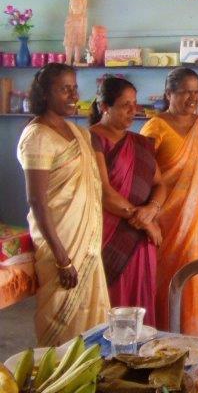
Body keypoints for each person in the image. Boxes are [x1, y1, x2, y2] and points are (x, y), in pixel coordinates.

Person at [16, 63, 110, 345]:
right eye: (64, 89)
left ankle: (90, 369)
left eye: (75, 88)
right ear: (45, 94)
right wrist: (62, 258)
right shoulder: (37, 136)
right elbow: (37, 200)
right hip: (60, 245)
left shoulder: (78, 132)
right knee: (61, 320)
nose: (73, 95)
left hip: (87, 245)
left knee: (93, 320)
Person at [140, 67, 198, 336]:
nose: (192, 98)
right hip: (165, 225)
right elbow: (141, 178)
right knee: (166, 284)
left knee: (196, 282)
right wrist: (148, 219)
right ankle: (163, 341)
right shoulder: (155, 128)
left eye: (196, 92)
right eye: (185, 92)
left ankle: (196, 342)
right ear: (168, 93)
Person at [89, 76, 166, 326]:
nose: (133, 111)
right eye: (125, 105)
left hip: (140, 239)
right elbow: (103, 191)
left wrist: (151, 209)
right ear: (104, 107)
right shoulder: (92, 139)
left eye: (134, 104)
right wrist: (144, 221)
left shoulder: (139, 143)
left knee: (140, 301)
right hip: (110, 236)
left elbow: (159, 184)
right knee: (113, 304)